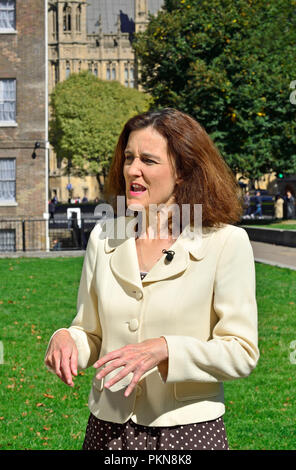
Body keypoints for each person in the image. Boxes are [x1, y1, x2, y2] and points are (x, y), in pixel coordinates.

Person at [44, 108, 259, 451]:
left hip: (187, 434)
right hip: (107, 430)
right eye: (128, 157)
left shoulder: (226, 243)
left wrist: (166, 350)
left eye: (148, 159)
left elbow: (241, 352)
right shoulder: (104, 236)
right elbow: (90, 332)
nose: (132, 169)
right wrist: (67, 339)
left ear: (184, 171)